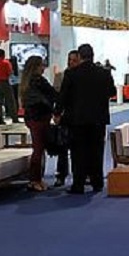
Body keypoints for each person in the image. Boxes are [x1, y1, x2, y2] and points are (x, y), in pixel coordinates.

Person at [59, 43, 116, 194]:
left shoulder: (71, 74)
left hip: (77, 119)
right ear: (93, 55)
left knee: (78, 152)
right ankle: (97, 182)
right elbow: (112, 92)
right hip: (98, 118)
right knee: (96, 151)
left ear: (80, 56)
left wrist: (57, 113)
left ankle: (78, 184)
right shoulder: (104, 73)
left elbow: (63, 96)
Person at [20, 55, 59, 193]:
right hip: (36, 118)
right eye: (41, 65)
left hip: (39, 118)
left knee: (40, 149)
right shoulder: (34, 82)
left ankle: (38, 179)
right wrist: (54, 110)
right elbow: (44, 99)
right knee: (38, 149)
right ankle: (34, 180)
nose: (44, 68)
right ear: (35, 67)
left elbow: (52, 95)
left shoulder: (35, 81)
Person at [52, 49, 79, 185]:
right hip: (65, 116)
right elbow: (58, 96)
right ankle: (61, 175)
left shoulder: (82, 77)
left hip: (79, 117)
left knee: (77, 149)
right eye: (69, 60)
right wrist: (57, 113)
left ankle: (79, 175)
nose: (71, 63)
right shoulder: (61, 76)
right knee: (62, 147)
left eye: (74, 60)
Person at [0, 49, 19, 124]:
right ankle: (14, 118)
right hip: (5, 82)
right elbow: (10, 72)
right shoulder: (6, 63)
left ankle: (0, 119)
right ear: (3, 55)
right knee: (11, 100)